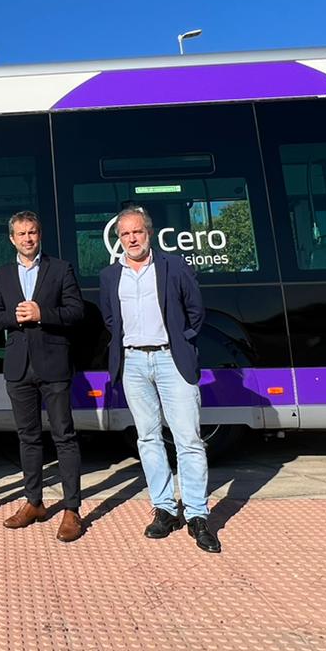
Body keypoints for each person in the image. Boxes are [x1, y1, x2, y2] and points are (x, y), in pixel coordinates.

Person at [99, 205, 220, 552]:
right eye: (125, 234)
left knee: (189, 440)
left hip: (171, 359)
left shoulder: (173, 265)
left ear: (148, 234)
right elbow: (111, 319)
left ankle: (197, 514)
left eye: (137, 232)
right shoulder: (110, 276)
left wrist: (182, 339)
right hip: (133, 362)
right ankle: (165, 509)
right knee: (148, 439)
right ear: (118, 238)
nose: (131, 238)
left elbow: (196, 310)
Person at [0, 209, 86, 542]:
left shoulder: (60, 269)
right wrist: (16, 319)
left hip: (54, 365)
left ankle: (72, 509)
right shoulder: (1, 274)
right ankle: (34, 503)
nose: (28, 238)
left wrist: (44, 314)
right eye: (21, 234)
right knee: (27, 438)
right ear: (12, 239)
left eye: (33, 232)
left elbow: (76, 312)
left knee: (64, 436)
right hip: (18, 368)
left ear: (38, 235)